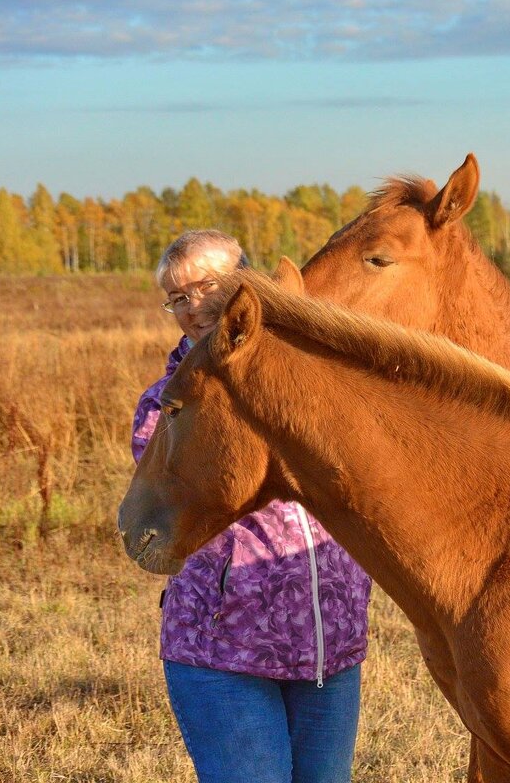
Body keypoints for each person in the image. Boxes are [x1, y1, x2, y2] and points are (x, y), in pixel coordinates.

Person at [130, 229, 371, 783]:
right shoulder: (167, 405)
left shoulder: (317, 380)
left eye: (208, 286)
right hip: (224, 651)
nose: (194, 307)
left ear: (248, 282)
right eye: (178, 297)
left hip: (328, 649)